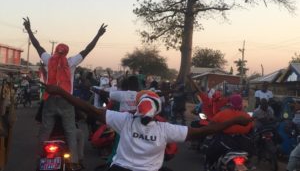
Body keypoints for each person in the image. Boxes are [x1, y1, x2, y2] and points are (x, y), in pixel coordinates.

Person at [43, 84, 252, 171]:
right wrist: (234, 121)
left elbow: (90, 109)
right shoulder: (165, 129)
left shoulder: (124, 120)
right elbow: (204, 131)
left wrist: (61, 92)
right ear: (158, 110)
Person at [23, 17, 107, 170]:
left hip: (49, 100)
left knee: (45, 131)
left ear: (55, 51)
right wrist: (98, 35)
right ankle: (74, 161)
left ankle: (39, 159)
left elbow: (37, 46)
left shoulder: (48, 59)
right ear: (67, 52)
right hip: (66, 100)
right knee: (70, 131)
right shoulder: (71, 62)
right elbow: (87, 49)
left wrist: (29, 30)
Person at [204, 94, 254, 167]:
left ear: (230, 103)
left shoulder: (223, 113)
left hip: (225, 142)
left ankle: (208, 167)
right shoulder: (246, 116)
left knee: (210, 153)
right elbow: (251, 129)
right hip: (243, 144)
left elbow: (211, 125)